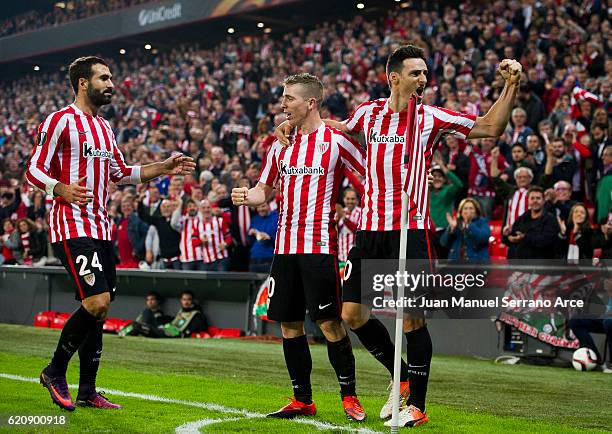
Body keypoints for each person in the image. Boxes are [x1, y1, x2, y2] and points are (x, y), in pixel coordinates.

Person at [276, 46, 521, 426]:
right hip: (370, 229)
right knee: (352, 315)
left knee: (412, 320)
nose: (423, 80)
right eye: (415, 74)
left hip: (411, 229)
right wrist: (292, 126)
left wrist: (511, 86)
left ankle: (417, 407)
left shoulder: (431, 117)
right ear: (394, 78)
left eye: (425, 74)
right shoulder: (368, 113)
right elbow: (332, 128)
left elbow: (491, 127)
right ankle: (402, 376)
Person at [26, 56, 195, 411]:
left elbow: (122, 173)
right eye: (104, 77)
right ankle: (55, 371)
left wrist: (160, 167)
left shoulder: (104, 128)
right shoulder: (60, 121)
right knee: (96, 302)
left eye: (111, 77)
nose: (111, 83)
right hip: (72, 224)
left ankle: (87, 389)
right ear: (83, 83)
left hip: (101, 228)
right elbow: (33, 170)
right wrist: (60, 189)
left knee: (100, 308)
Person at [232, 73, 367, 422]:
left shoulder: (335, 142)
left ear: (310, 102)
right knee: (289, 325)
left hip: (318, 246)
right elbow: (265, 189)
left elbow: (370, 176)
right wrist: (248, 196)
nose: (282, 104)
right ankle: (302, 399)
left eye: (289, 98)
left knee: (329, 324)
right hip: (284, 248)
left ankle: (349, 396)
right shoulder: (280, 145)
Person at [503, 187, 559, 260]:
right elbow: (510, 240)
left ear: (544, 201)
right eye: (532, 198)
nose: (535, 201)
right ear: (528, 201)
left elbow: (547, 241)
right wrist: (507, 236)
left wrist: (524, 237)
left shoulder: (551, 220)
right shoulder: (522, 218)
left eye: (538, 198)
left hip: (542, 266)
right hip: (521, 265)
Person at [440, 198, 490, 263]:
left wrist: (469, 225)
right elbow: (443, 243)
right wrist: (451, 229)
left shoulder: (482, 222)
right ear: (461, 212)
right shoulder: (456, 224)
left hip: (477, 264)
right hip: (456, 264)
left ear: (476, 211)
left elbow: (482, 238)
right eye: (465, 208)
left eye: (471, 208)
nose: (468, 211)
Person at [137, 197, 182, 269]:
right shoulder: (159, 221)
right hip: (164, 259)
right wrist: (140, 202)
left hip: (177, 259)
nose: (166, 209)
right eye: (164, 207)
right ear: (160, 209)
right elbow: (144, 216)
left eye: (168, 206)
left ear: (172, 208)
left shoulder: (178, 221)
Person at [172, 199, 205, 271]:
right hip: (187, 259)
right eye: (189, 206)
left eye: (194, 206)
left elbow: (203, 213)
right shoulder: (183, 220)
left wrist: (198, 203)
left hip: (202, 257)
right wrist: (180, 206)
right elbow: (173, 223)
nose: (192, 208)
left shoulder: (202, 220)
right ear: (186, 209)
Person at [199, 199, 231, 272]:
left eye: (208, 207)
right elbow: (194, 242)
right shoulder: (197, 224)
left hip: (221, 259)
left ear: (211, 209)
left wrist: (225, 244)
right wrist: (201, 241)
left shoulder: (219, 221)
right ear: (200, 210)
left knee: (221, 281)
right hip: (205, 261)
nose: (206, 210)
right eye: (203, 208)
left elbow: (228, 237)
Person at [248, 201, 277, 273]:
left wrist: (270, 238)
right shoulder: (255, 219)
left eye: (263, 206)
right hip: (254, 259)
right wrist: (250, 234)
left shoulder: (277, 217)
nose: (260, 209)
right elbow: (249, 241)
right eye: (258, 207)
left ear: (269, 205)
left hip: (269, 259)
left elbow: (282, 240)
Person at [336, 187, 362, 264]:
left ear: (357, 200)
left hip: (354, 257)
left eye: (352, 199)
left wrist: (344, 218)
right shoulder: (340, 212)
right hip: (340, 256)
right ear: (344, 199)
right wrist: (336, 221)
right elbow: (335, 233)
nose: (350, 201)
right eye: (348, 198)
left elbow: (357, 231)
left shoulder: (361, 212)